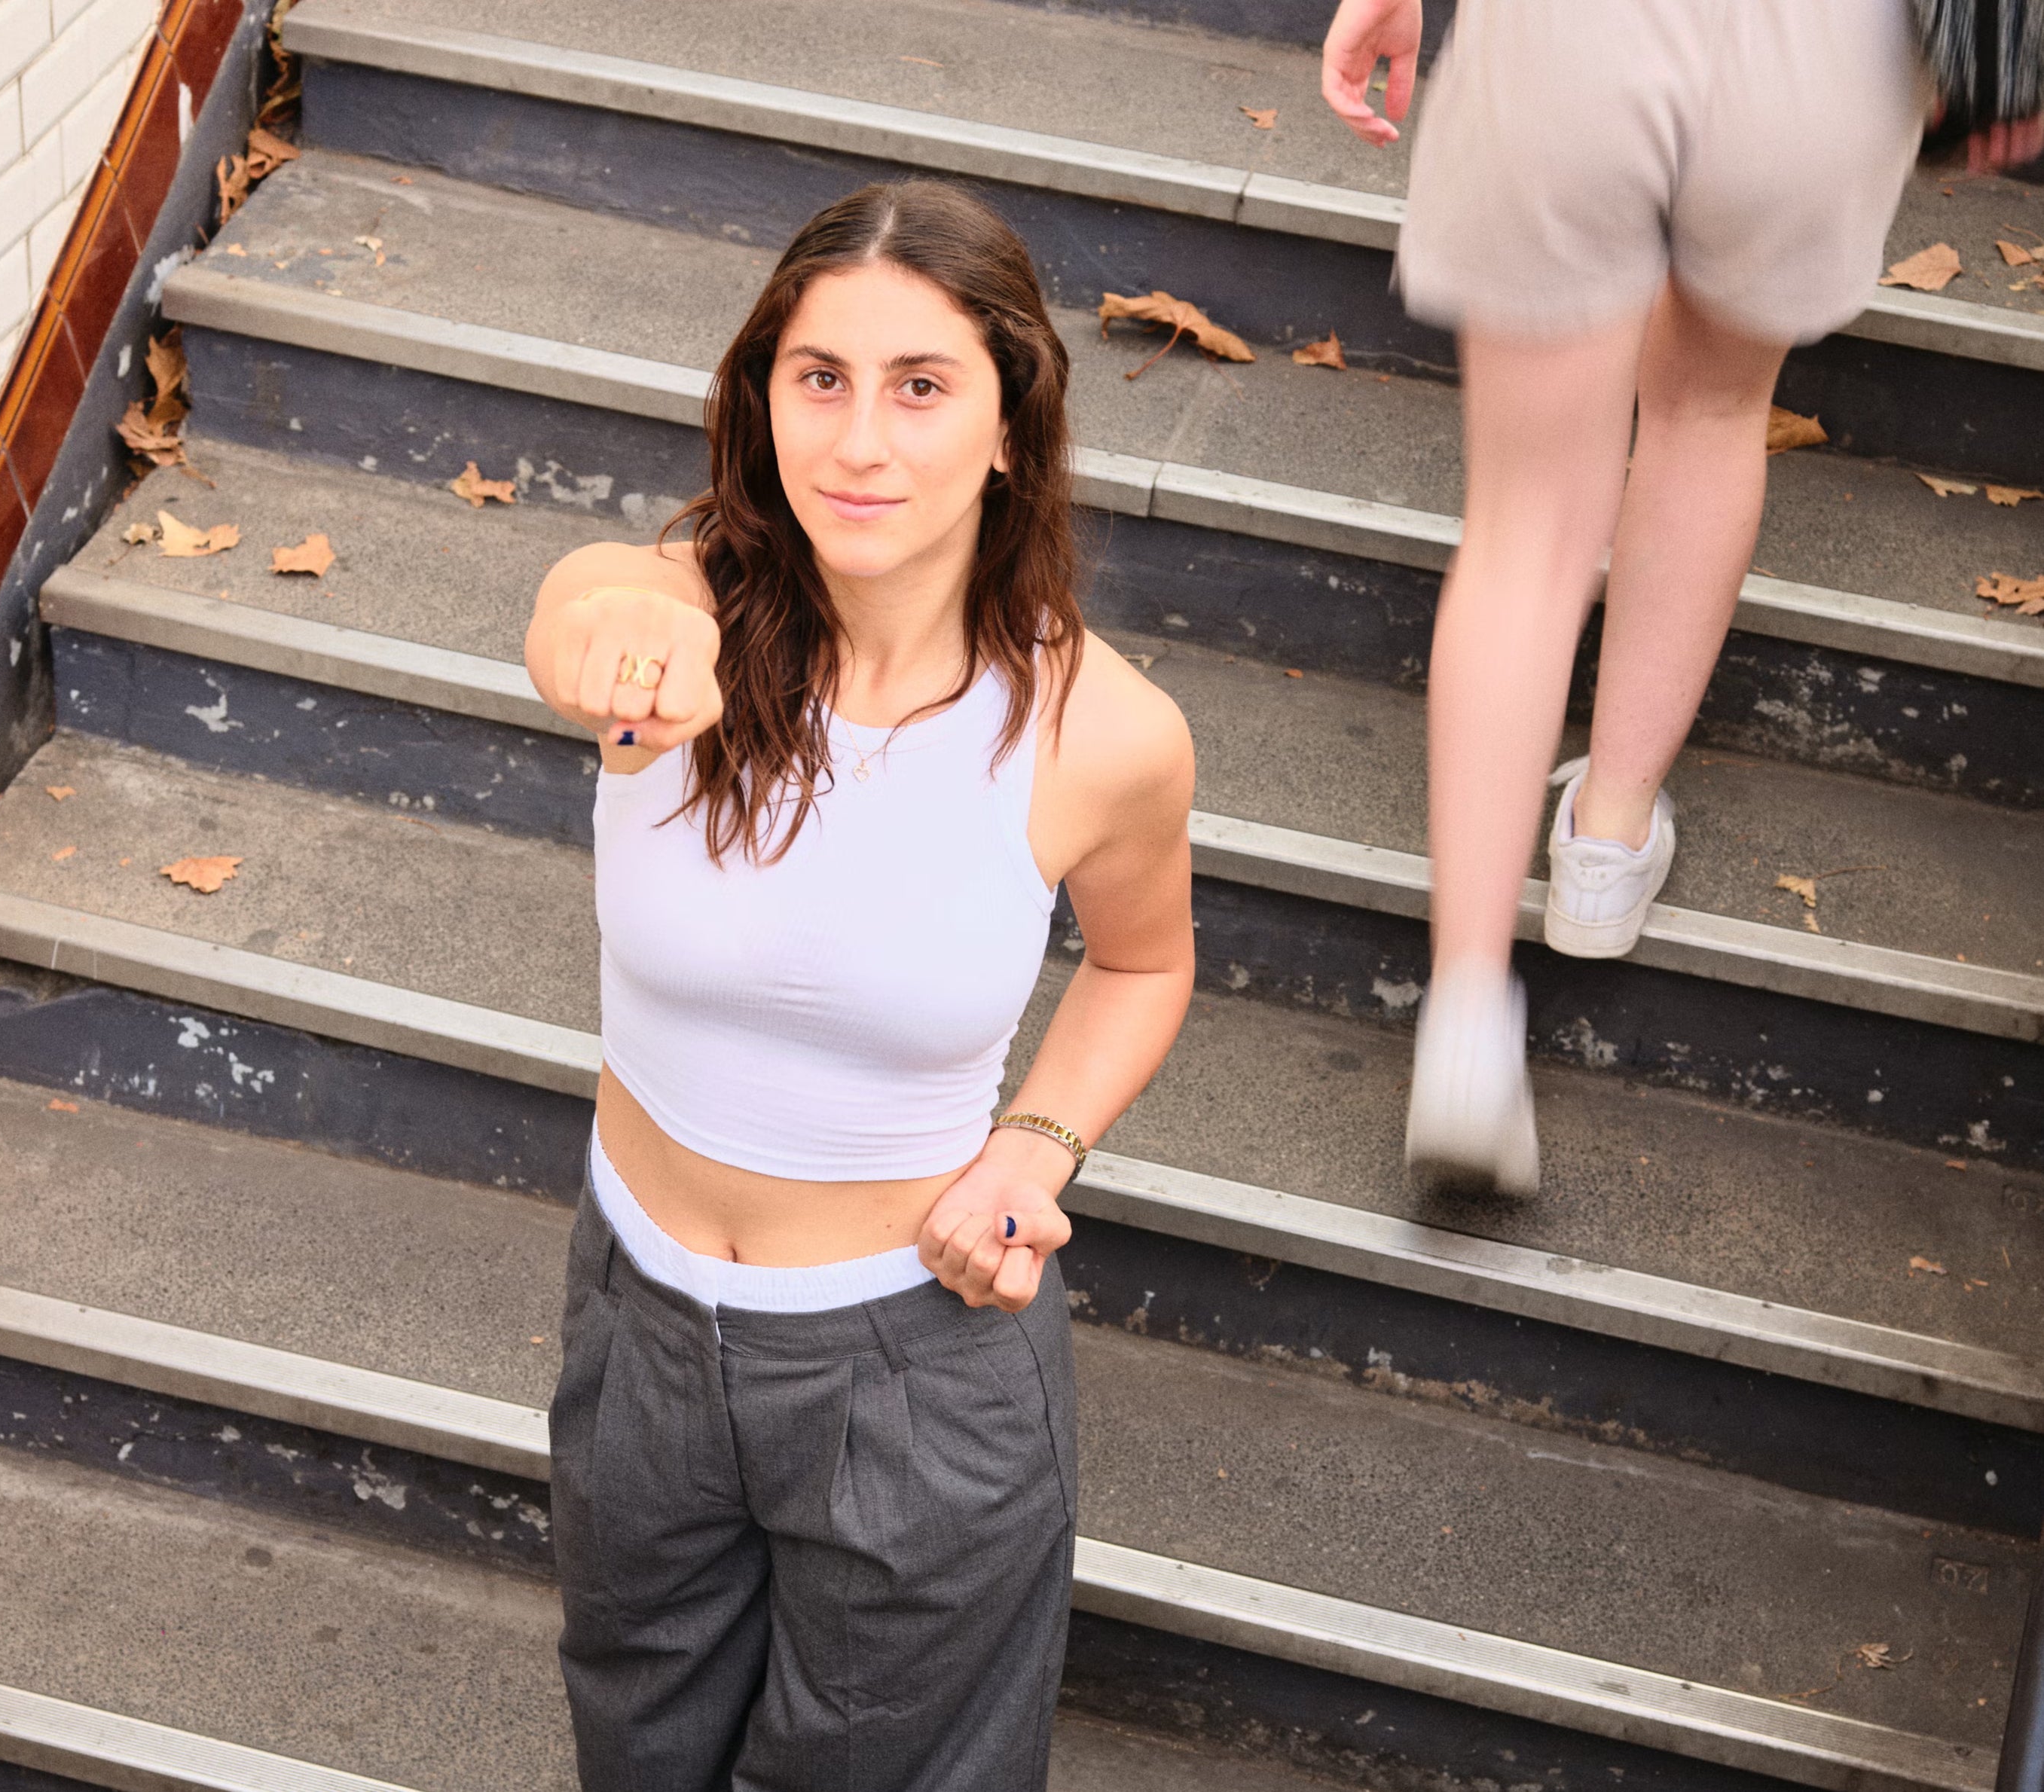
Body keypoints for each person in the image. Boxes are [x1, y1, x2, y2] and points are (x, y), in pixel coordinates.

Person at [522, 179, 1196, 1792]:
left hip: (912, 1359)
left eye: (919, 385)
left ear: (1007, 425)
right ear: (763, 399)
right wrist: (613, 634)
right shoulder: (678, 611)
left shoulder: (1102, 733)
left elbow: (1143, 958)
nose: (858, 444)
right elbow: (583, 613)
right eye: (818, 378)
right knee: (639, 1746)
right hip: (639, 1315)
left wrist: (1037, 1143)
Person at [1318, 0, 1944, 1192]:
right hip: (1826, 48)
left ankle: (1463, 1022)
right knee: (1711, 413)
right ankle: (1608, 836)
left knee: (1525, 531)